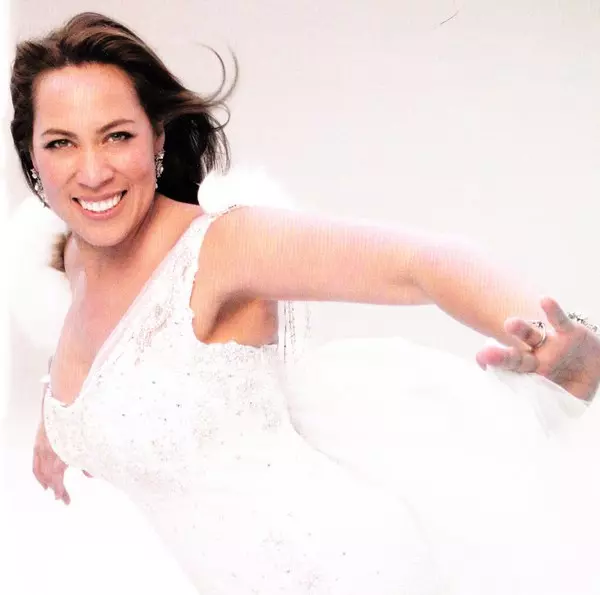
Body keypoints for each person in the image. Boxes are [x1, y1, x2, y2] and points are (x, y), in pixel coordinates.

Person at [10, 11, 600, 594]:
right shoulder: (75, 258)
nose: (93, 172)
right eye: (61, 143)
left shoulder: (221, 246)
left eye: (117, 135)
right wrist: (58, 421)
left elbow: (424, 263)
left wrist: (554, 340)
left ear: (156, 138)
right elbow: (109, 356)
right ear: (32, 158)